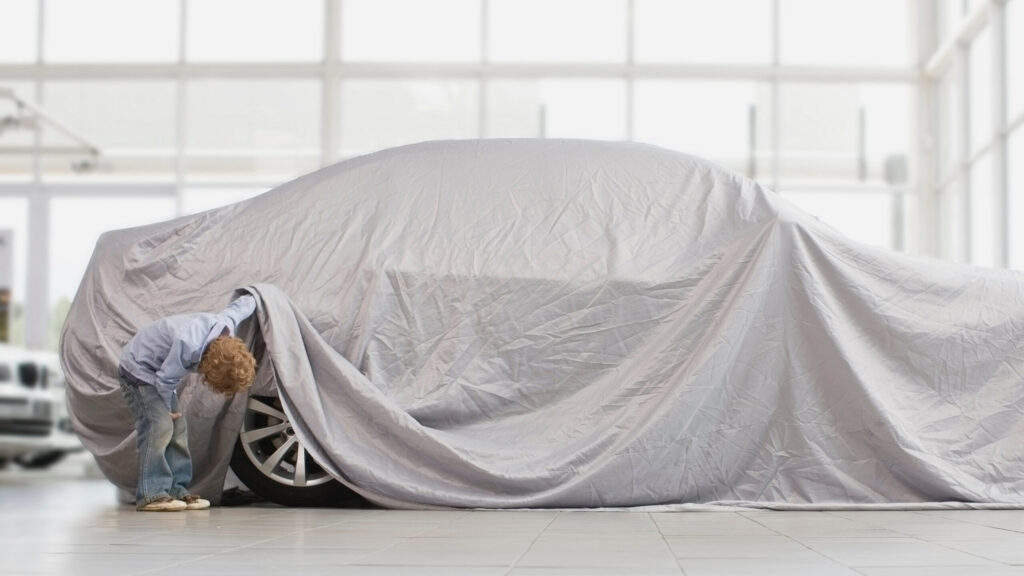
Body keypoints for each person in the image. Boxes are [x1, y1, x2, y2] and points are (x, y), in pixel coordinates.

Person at [118, 294, 257, 512]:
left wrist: (257, 296)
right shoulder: (188, 345)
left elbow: (242, 306)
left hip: (158, 373)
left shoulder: (226, 326)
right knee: (160, 427)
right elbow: (164, 379)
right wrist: (165, 409)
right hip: (138, 371)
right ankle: (151, 493)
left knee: (179, 428)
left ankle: (176, 490)